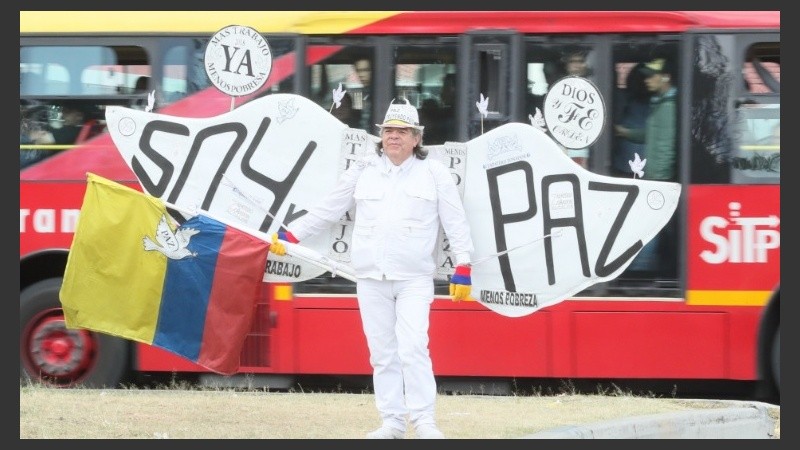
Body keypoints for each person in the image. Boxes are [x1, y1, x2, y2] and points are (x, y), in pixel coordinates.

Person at [270, 99, 475, 439]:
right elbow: (330, 207)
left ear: (416, 138)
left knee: (413, 348)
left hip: (414, 279)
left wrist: (464, 265)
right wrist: (293, 234)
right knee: (382, 353)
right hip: (368, 277)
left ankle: (424, 423)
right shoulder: (364, 168)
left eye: (402, 131)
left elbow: (455, 221)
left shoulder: (434, 172)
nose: (393, 137)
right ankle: (392, 424)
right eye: (388, 131)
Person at [614, 57, 678, 274]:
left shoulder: (669, 106)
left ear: (665, 77)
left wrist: (656, 180)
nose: (647, 81)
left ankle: (640, 273)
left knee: (650, 226)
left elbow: (667, 147)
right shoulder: (660, 102)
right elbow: (650, 136)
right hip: (657, 178)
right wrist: (625, 132)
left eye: (651, 76)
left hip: (660, 180)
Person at [611, 62, 652, 177]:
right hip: (643, 164)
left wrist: (623, 132)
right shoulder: (655, 103)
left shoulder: (621, 98)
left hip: (625, 161)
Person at [353, 58, 373, 131]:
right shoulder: (366, 93)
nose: (361, 75)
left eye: (365, 70)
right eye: (358, 71)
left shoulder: (377, 94)